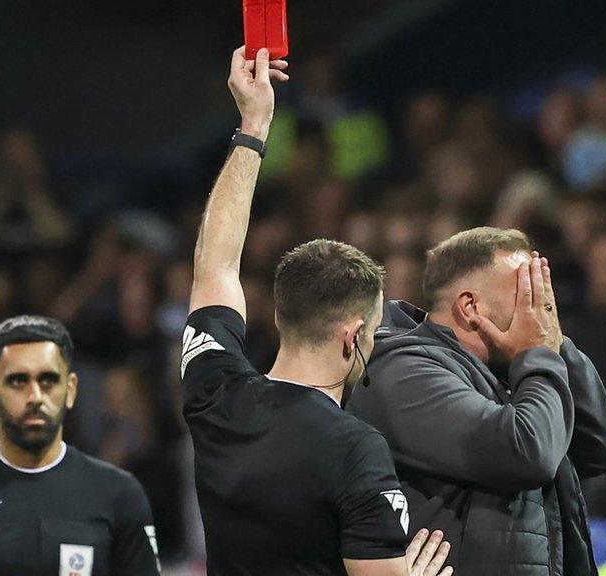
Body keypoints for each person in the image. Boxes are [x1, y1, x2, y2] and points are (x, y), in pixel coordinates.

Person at [182, 46, 450, 576]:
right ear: (352, 337)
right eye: (373, 334)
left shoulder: (214, 393)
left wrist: (253, 124)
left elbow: (215, 264)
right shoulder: (356, 449)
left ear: (280, 317)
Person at [348, 227, 606, 576]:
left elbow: (597, 448)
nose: (536, 311)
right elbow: (527, 453)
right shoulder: (404, 372)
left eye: (541, 299)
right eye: (525, 296)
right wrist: (537, 351)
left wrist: (555, 343)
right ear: (471, 306)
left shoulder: (516, 364)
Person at [0, 315, 161, 575]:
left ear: (71, 389)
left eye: (48, 380)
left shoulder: (119, 494)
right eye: (18, 381)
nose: (35, 397)